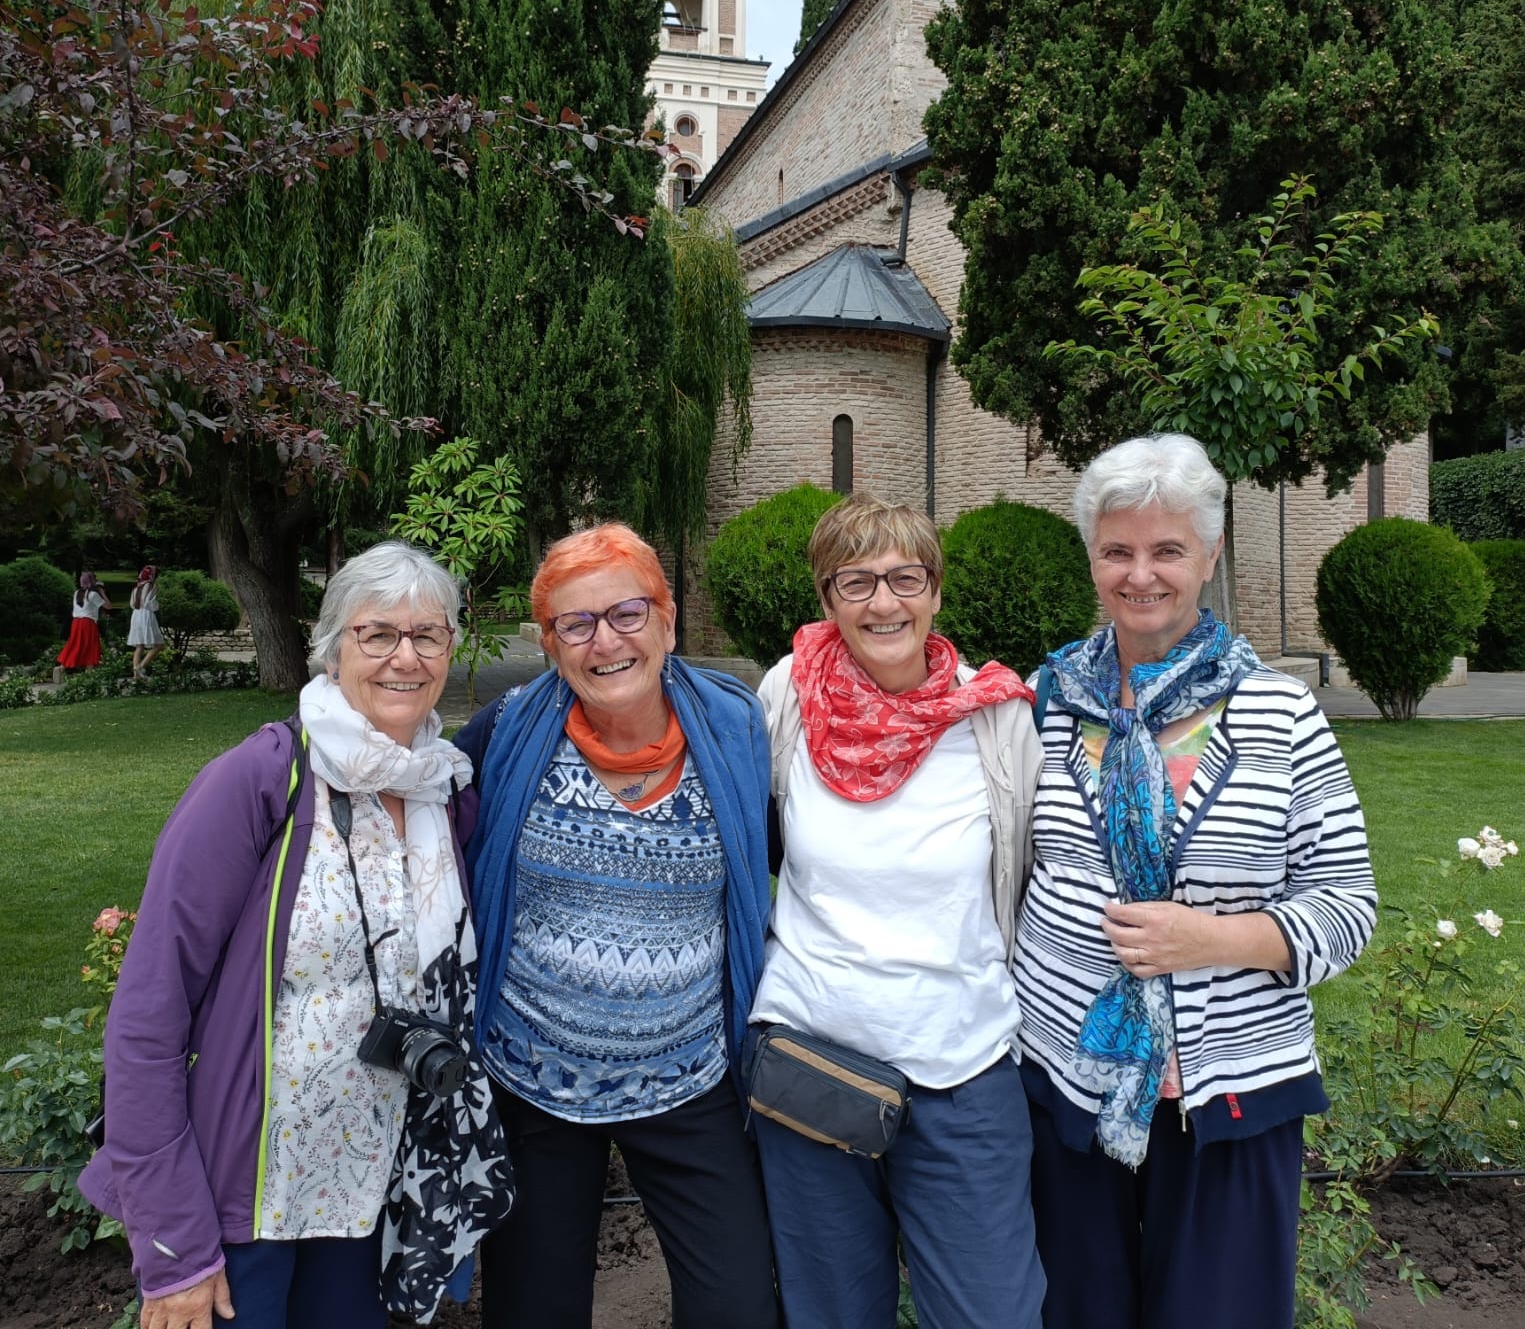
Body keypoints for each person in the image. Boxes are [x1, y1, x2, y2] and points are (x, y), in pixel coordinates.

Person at [80, 542, 513, 1329]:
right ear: (333, 645)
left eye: (428, 635)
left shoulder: (442, 791)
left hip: (367, 1196)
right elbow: (148, 1015)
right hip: (243, 1202)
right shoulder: (259, 781)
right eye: (378, 634)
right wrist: (173, 1245)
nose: (405, 658)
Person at [1013, 433, 1377, 1329]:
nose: (1141, 574)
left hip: (1231, 1091)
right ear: (1092, 558)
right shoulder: (1043, 703)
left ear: (1210, 557)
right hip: (1065, 1079)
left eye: (1167, 550)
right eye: (1118, 551)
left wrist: (1207, 939)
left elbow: (1347, 905)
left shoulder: (1279, 713)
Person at [452, 523, 780, 1329]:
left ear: (667, 619)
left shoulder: (736, 730)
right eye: (577, 623)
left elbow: (795, 855)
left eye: (628, 613)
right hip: (533, 1075)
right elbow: (423, 839)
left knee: (739, 1306)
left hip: (688, 1074)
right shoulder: (505, 732)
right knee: (533, 1311)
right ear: (549, 642)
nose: (606, 642)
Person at [749, 494, 1047, 1329]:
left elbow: (1035, 871)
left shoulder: (995, 716)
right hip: (813, 1064)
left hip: (964, 1065)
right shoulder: (789, 695)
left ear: (936, 592)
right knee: (833, 1315)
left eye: (905, 578)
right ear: (828, 599)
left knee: (995, 1314)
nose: (884, 602)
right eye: (856, 582)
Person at [57, 571, 110, 671]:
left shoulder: (77, 593)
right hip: (88, 623)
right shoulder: (93, 595)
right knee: (91, 646)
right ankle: (89, 671)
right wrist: (102, 592)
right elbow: (109, 606)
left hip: (76, 622)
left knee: (74, 644)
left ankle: (62, 666)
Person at [128, 565, 164, 679]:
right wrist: (158, 606)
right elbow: (149, 602)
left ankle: (136, 676)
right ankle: (140, 667)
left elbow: (132, 604)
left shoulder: (136, 587)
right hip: (146, 615)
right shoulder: (151, 585)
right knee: (158, 644)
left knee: (139, 646)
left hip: (136, 615)